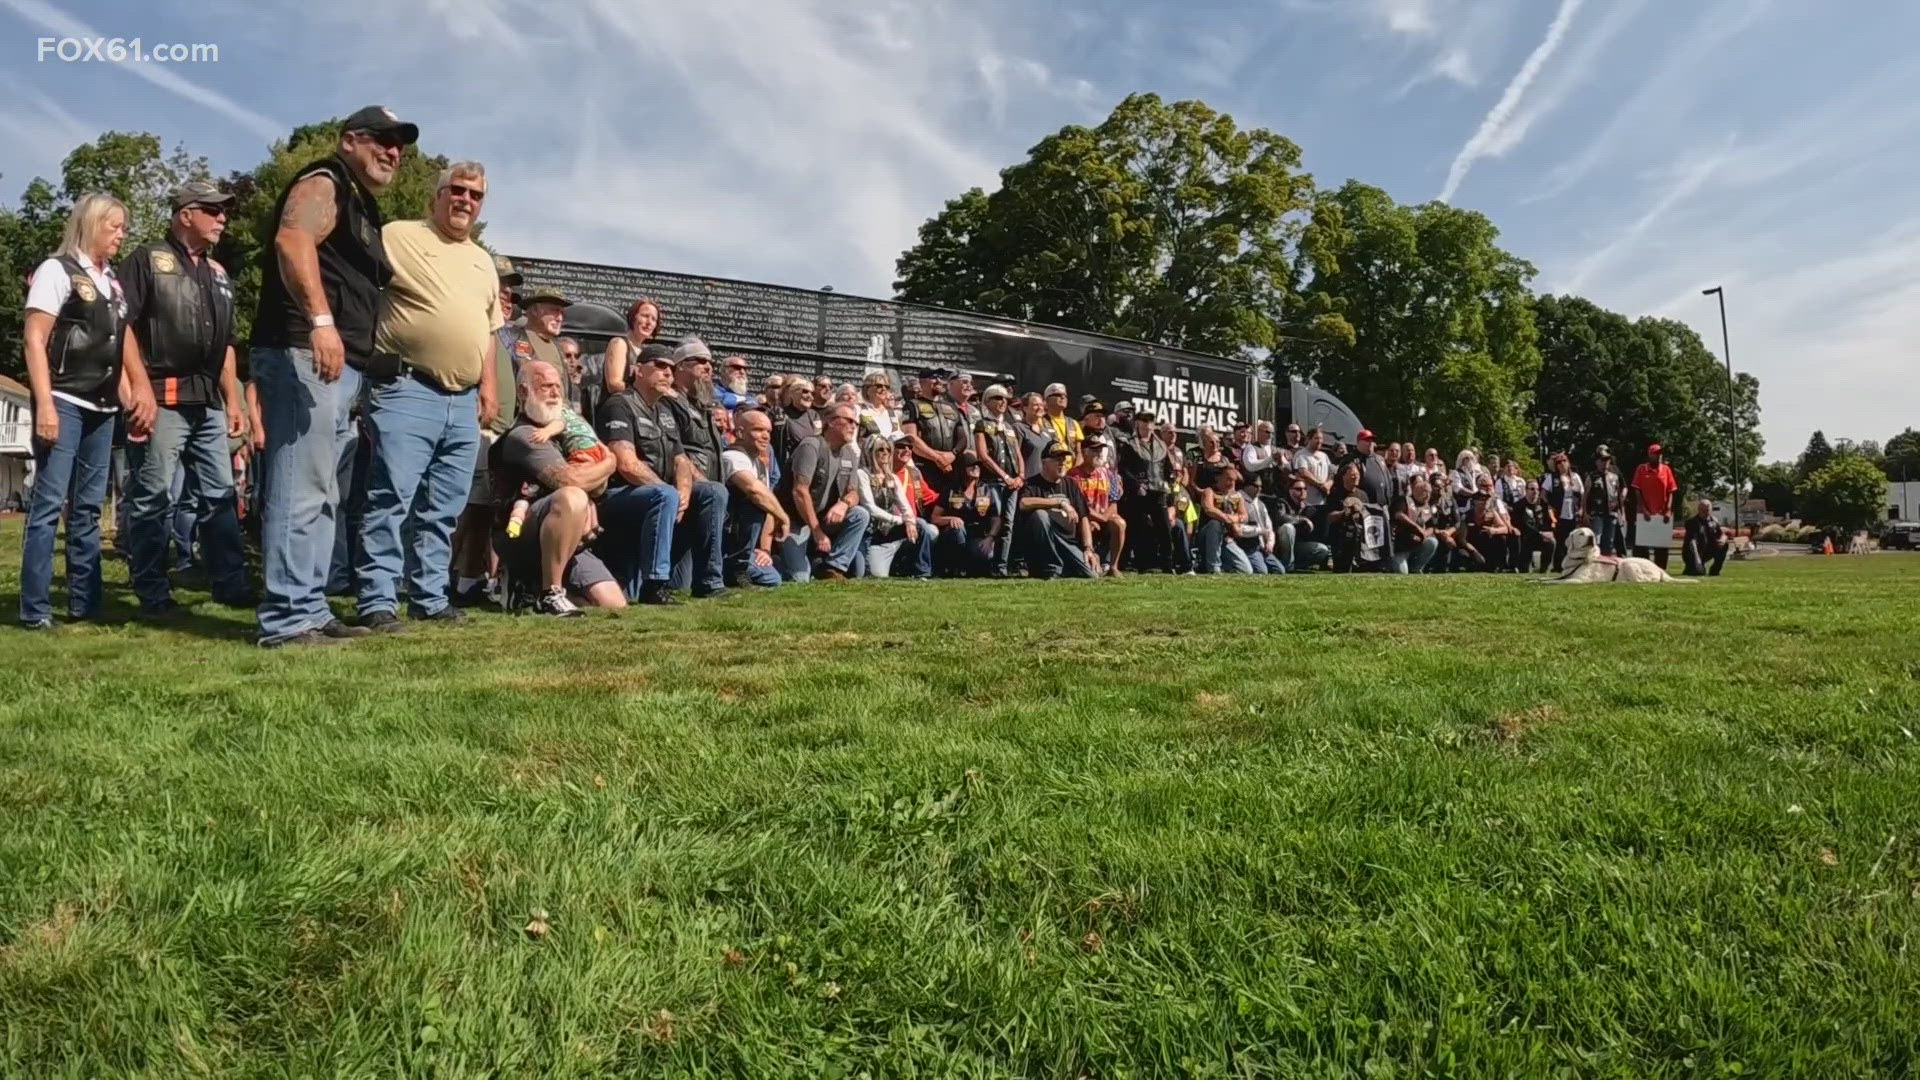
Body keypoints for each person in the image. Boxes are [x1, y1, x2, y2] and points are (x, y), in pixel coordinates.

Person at [252, 106, 417, 647]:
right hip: (305, 351)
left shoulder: (359, 201)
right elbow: (292, 242)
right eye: (382, 140)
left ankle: (310, 606)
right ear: (350, 140)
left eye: (399, 145)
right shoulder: (325, 181)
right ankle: (286, 618)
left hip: (339, 365)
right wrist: (322, 323)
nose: (393, 151)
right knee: (301, 485)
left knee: (323, 490)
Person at [350, 162, 499, 632]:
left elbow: (489, 329)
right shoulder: (399, 236)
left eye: (475, 195)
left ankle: (430, 597)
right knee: (391, 497)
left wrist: (489, 387)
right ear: (435, 197)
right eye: (456, 191)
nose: (465, 201)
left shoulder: (482, 261)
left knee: (444, 507)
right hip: (407, 388)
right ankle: (377, 598)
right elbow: (358, 286)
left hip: (464, 399)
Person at [115, 180, 253, 616]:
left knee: (220, 495)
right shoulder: (146, 261)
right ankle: (152, 589)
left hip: (209, 402)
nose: (222, 219)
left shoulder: (218, 273)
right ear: (185, 214)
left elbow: (228, 343)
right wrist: (138, 389)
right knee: (154, 495)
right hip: (162, 396)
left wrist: (233, 400)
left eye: (223, 211)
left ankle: (230, 585)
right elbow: (123, 329)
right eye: (213, 211)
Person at [18, 193, 130, 630]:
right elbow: (34, 339)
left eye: (123, 227)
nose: (121, 234)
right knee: (48, 503)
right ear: (91, 225)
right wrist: (45, 402)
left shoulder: (112, 281)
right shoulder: (57, 270)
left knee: (87, 508)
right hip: (65, 399)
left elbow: (117, 343)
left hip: (103, 404)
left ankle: (86, 603)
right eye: (114, 226)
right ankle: (35, 608)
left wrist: (127, 390)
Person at [490, 361, 623, 615]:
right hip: (519, 534)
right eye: (545, 386)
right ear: (523, 392)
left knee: (613, 603)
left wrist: (592, 484)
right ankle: (550, 592)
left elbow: (594, 488)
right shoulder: (526, 435)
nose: (554, 393)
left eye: (557, 387)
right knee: (571, 496)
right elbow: (571, 482)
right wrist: (610, 463)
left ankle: (528, 591)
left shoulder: (564, 434)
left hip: (569, 537)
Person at [593, 343, 688, 603]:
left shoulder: (666, 412)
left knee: (712, 492)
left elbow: (681, 460)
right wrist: (669, 492)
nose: (667, 373)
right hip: (617, 494)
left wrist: (685, 493)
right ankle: (655, 584)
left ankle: (711, 579)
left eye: (671, 368)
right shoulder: (620, 404)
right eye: (659, 366)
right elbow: (625, 463)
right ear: (637, 371)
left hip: (659, 495)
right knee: (665, 495)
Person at [777, 402, 869, 581]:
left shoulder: (849, 453)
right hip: (795, 519)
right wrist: (817, 532)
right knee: (800, 578)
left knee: (860, 515)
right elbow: (800, 491)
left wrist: (844, 504)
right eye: (849, 421)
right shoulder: (811, 446)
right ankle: (775, 558)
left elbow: (854, 493)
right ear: (832, 422)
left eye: (855, 423)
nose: (853, 426)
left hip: (823, 518)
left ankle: (833, 567)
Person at [719, 408, 788, 588]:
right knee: (755, 502)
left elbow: (768, 506)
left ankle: (740, 567)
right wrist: (784, 517)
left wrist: (765, 550)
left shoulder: (759, 463)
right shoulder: (732, 456)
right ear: (740, 432)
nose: (765, 436)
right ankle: (733, 568)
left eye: (768, 431)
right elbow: (755, 491)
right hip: (723, 538)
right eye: (758, 430)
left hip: (741, 541)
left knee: (772, 578)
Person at [1017, 442, 1097, 579]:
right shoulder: (1032, 483)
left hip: (1068, 542)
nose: (1062, 464)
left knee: (1092, 574)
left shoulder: (1071, 484)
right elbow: (1023, 503)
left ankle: (1065, 567)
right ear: (1044, 463)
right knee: (1039, 514)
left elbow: (1084, 517)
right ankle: (1050, 567)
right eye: (1057, 460)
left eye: (1064, 460)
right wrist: (1059, 503)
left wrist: (1088, 548)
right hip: (1047, 542)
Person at [855, 434, 931, 578]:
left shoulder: (892, 478)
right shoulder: (862, 474)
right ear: (870, 452)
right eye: (880, 450)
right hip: (870, 533)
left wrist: (909, 521)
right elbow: (870, 507)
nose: (885, 453)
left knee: (921, 526)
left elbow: (905, 505)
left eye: (888, 450)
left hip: (889, 530)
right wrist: (897, 519)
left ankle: (922, 573)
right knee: (872, 574)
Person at [972, 383, 1024, 576]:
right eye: (997, 398)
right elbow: (983, 455)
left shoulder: (1010, 427)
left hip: (1012, 482)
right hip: (992, 482)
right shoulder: (981, 424)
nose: (1002, 402)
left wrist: (1021, 476)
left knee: (1008, 522)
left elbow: (1018, 453)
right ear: (987, 402)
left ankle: (1001, 566)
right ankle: (987, 564)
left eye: (1005, 399)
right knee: (993, 519)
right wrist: (1005, 476)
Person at [1115, 409, 1174, 572]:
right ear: (1137, 422)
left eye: (1150, 420)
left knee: (1165, 529)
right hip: (1138, 493)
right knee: (1136, 528)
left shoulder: (1161, 445)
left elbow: (1169, 469)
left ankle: (1167, 565)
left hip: (1158, 491)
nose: (1147, 423)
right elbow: (1123, 468)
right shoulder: (1128, 443)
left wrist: (1169, 488)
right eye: (1144, 420)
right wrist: (1136, 484)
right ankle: (1130, 564)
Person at [928, 451, 1000, 576]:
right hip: (954, 535)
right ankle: (954, 568)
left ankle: (972, 568)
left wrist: (990, 537)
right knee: (958, 531)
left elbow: (996, 518)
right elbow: (934, 517)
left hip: (977, 535)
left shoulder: (987, 490)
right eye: (971, 465)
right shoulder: (951, 489)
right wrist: (950, 519)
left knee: (987, 553)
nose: (976, 468)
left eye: (978, 465)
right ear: (962, 468)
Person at [903, 367, 966, 494]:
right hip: (925, 467)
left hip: (951, 466)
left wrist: (952, 454)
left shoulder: (951, 406)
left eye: (940, 378)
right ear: (922, 382)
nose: (938, 381)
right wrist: (937, 458)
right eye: (933, 377)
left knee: (952, 505)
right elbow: (911, 438)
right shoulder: (912, 405)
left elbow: (963, 438)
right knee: (925, 504)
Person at [1068, 437, 1125, 576]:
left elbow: (1114, 502)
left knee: (1119, 523)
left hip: (1103, 517)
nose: (1099, 453)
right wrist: (1096, 519)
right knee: (1088, 524)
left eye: (1100, 449)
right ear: (1084, 452)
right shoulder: (1073, 476)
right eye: (1094, 450)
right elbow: (1078, 505)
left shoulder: (1108, 474)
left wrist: (1103, 518)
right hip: (1083, 519)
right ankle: (1092, 560)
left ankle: (1114, 566)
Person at [1629, 442, 1679, 570]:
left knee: (1661, 546)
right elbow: (1637, 491)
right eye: (1656, 454)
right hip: (1644, 514)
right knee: (1642, 546)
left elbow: (1671, 491)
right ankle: (1644, 571)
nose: (1659, 456)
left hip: (1662, 515)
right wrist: (1644, 509)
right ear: (1650, 455)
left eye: (1660, 454)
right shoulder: (1641, 469)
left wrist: (1668, 510)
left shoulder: (1666, 470)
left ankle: (1661, 571)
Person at [600, 297, 662, 396]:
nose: (649, 322)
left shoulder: (644, 353)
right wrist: (645, 391)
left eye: (654, 319)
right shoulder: (619, 344)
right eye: (645, 316)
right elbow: (614, 384)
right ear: (633, 317)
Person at [1540, 452, 1585, 571]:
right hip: (1558, 512)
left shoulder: (1575, 477)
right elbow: (1543, 493)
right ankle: (1558, 566)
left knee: (1573, 539)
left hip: (1573, 511)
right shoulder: (1552, 477)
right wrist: (1550, 506)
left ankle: (1572, 564)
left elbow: (1582, 494)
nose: (1562, 464)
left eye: (1564, 461)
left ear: (1568, 462)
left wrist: (1581, 509)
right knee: (1560, 539)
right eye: (1558, 462)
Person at [1468, 472, 1520, 571]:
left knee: (1515, 534)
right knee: (1499, 537)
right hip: (1479, 529)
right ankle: (1498, 565)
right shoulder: (1474, 498)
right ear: (1478, 486)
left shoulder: (1496, 498)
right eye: (1485, 486)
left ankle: (1513, 566)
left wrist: (1509, 526)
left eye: (1490, 485)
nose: (1488, 488)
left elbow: (1504, 514)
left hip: (1497, 526)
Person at [1275, 477, 1328, 572]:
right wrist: (1301, 519)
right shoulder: (1282, 502)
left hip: (1299, 545)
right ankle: (1288, 566)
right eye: (1298, 489)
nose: (1302, 491)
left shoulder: (1309, 508)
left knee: (1322, 550)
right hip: (1280, 547)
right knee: (1288, 528)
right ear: (1290, 490)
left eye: (1304, 489)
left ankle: (1298, 566)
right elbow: (1281, 518)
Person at [1389, 477, 1440, 574]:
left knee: (1432, 542)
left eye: (1429, 492)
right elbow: (1399, 515)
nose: (1427, 495)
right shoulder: (1403, 500)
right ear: (1415, 491)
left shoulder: (1429, 508)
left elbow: (1432, 527)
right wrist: (1417, 529)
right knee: (1402, 573)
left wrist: (1424, 533)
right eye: (1424, 492)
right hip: (1400, 548)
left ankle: (1416, 568)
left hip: (1417, 545)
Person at [1236, 473, 1284, 574]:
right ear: (1246, 486)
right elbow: (1238, 528)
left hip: (1262, 547)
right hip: (1247, 545)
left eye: (1260, 486)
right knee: (1261, 571)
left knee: (1279, 570)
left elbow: (1268, 528)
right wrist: (1259, 531)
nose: (1259, 489)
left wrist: (1270, 543)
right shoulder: (1238, 500)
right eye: (1255, 486)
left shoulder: (1260, 504)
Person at [1587, 445, 1625, 557]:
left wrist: (1622, 512)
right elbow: (1586, 495)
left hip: (1612, 512)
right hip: (1597, 512)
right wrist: (1584, 512)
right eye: (1602, 460)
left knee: (1609, 541)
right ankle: (1596, 561)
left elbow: (1619, 494)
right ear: (1597, 461)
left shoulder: (1614, 475)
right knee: (1597, 539)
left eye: (1607, 460)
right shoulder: (1592, 476)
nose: (1605, 463)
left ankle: (1607, 563)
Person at [1512, 479, 1557, 572]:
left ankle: (1544, 569)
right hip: (1525, 538)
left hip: (1541, 537)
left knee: (1551, 542)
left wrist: (1549, 531)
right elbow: (1523, 525)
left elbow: (1549, 520)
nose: (1535, 492)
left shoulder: (1543, 504)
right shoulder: (1518, 506)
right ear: (1526, 490)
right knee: (1525, 571)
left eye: (1537, 489)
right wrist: (1540, 533)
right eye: (1532, 489)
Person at [1342, 429, 1391, 505]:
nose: (1370, 443)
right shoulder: (1350, 460)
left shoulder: (1379, 459)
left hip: (1383, 508)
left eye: (1372, 440)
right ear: (1358, 442)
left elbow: (1388, 479)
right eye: (1367, 440)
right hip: (1362, 505)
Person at [1291, 427, 1334, 514]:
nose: (1319, 441)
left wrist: (1328, 485)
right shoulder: (1301, 455)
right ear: (1308, 439)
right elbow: (1303, 472)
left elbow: (1332, 473)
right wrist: (1321, 485)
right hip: (1307, 502)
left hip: (1322, 501)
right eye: (1316, 438)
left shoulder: (1324, 456)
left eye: (1321, 438)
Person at [1683, 498, 1728, 576]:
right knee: (1698, 573)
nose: (1706, 513)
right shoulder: (1692, 522)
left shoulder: (1714, 521)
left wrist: (1723, 539)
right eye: (1703, 511)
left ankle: (1715, 571)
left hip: (1707, 550)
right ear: (1699, 510)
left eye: (1708, 510)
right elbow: (1692, 543)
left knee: (1725, 545)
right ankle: (1692, 567)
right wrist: (1698, 561)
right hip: (1693, 552)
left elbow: (1721, 534)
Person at [1038, 382, 1082, 462]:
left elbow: (1079, 452)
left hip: (1070, 471)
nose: (1062, 397)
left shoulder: (1073, 423)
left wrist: (1075, 470)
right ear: (1047, 400)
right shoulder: (1040, 421)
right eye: (1057, 395)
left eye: (1065, 395)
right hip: (1050, 469)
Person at [1014, 391, 1053, 475]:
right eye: (1035, 405)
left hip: (1044, 481)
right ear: (1025, 408)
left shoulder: (1046, 432)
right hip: (1027, 480)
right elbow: (1015, 456)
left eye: (1041, 405)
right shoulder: (1018, 428)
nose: (1040, 408)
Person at [856, 370, 898, 440]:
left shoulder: (892, 414)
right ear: (867, 389)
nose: (884, 389)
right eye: (879, 386)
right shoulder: (859, 410)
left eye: (887, 387)